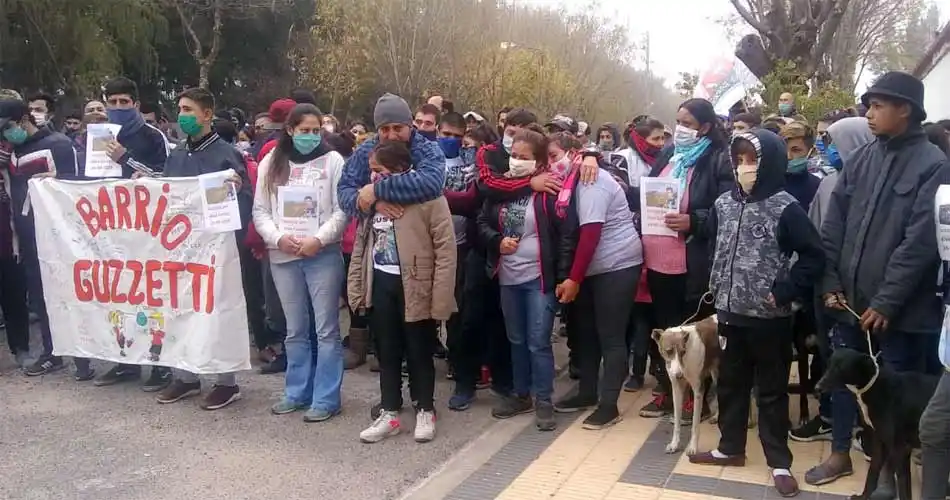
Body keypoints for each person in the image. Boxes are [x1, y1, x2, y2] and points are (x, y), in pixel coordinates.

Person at [812, 72, 948, 493]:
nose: (868, 114)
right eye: (868, 106)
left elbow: (920, 242)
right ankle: (839, 453)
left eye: (877, 106)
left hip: (898, 314)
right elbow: (833, 226)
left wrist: (887, 301)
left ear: (905, 110)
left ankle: (887, 473)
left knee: (894, 397)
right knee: (842, 381)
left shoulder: (934, 164)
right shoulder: (862, 158)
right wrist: (829, 281)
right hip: (849, 304)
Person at [689, 129, 824, 499]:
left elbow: (814, 256)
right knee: (730, 385)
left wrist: (784, 290)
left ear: (770, 163)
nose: (744, 167)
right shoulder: (723, 204)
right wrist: (715, 282)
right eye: (739, 160)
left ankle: (779, 462)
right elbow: (713, 244)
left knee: (771, 391)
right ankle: (730, 447)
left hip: (769, 318)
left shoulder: (786, 208)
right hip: (729, 313)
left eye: (752, 160)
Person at [153, 87, 252, 410]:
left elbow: (246, 201)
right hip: (182, 246)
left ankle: (226, 382)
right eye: (180, 109)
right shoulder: (178, 153)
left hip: (217, 247)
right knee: (180, 307)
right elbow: (167, 194)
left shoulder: (226, 154)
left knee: (219, 310)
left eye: (188, 110)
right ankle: (185, 376)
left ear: (207, 114)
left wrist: (238, 190)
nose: (182, 115)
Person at [352, 141, 457, 443]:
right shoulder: (372, 201)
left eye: (379, 171)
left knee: (418, 350)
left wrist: (441, 299)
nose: (373, 178)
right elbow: (361, 244)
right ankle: (390, 411)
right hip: (382, 283)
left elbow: (446, 251)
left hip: (416, 285)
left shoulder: (430, 198)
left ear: (399, 170)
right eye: (371, 172)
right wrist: (358, 286)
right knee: (387, 351)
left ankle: (425, 408)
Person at [636, 98, 733, 420]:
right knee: (665, 329)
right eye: (678, 121)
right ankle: (669, 390)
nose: (680, 129)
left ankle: (697, 398)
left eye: (687, 123)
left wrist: (695, 221)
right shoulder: (670, 154)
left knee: (692, 333)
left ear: (705, 127)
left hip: (692, 261)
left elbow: (726, 208)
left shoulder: (718, 159)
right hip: (657, 258)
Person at [477, 126, 577, 431]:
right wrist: (496, 241)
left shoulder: (549, 189)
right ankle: (522, 394)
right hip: (508, 276)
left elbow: (565, 235)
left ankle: (544, 399)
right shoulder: (501, 187)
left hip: (539, 278)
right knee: (516, 339)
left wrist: (564, 276)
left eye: (524, 157)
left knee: (538, 341)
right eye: (514, 155)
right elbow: (482, 222)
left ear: (539, 161)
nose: (517, 161)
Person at [252, 103, 347, 422]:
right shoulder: (271, 161)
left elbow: (341, 210)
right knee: (295, 330)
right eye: (305, 130)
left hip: (322, 255)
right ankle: (296, 392)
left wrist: (318, 239)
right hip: (283, 255)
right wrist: (278, 238)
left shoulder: (333, 161)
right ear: (290, 130)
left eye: (316, 131)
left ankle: (326, 397)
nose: (311, 136)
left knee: (326, 329)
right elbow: (260, 211)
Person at [550, 131, 642, 431]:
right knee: (586, 333)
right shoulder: (567, 182)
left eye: (553, 156)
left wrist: (573, 279)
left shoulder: (591, 181)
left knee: (610, 335)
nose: (550, 163)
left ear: (573, 153)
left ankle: (609, 404)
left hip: (616, 264)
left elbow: (590, 235)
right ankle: (587, 392)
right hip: (589, 268)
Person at [91, 76, 173, 391]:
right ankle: (125, 360)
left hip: (148, 228)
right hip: (111, 227)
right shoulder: (98, 135)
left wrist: (125, 159)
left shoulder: (152, 136)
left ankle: (160, 364)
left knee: (152, 297)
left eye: (124, 102)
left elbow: (166, 177)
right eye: (112, 102)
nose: (118, 107)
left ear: (136, 104)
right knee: (118, 295)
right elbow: (90, 179)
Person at [0, 99, 83, 378]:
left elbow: (79, 184)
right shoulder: (12, 151)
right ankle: (52, 353)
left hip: (60, 237)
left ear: (24, 119)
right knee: (40, 297)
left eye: (8, 127)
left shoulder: (59, 144)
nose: (5, 134)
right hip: (27, 238)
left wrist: (60, 178)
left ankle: (84, 357)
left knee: (71, 295)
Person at [779, 122, 821, 211]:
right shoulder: (767, 185)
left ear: (811, 152)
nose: (788, 156)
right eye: (783, 149)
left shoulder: (818, 187)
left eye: (796, 150)